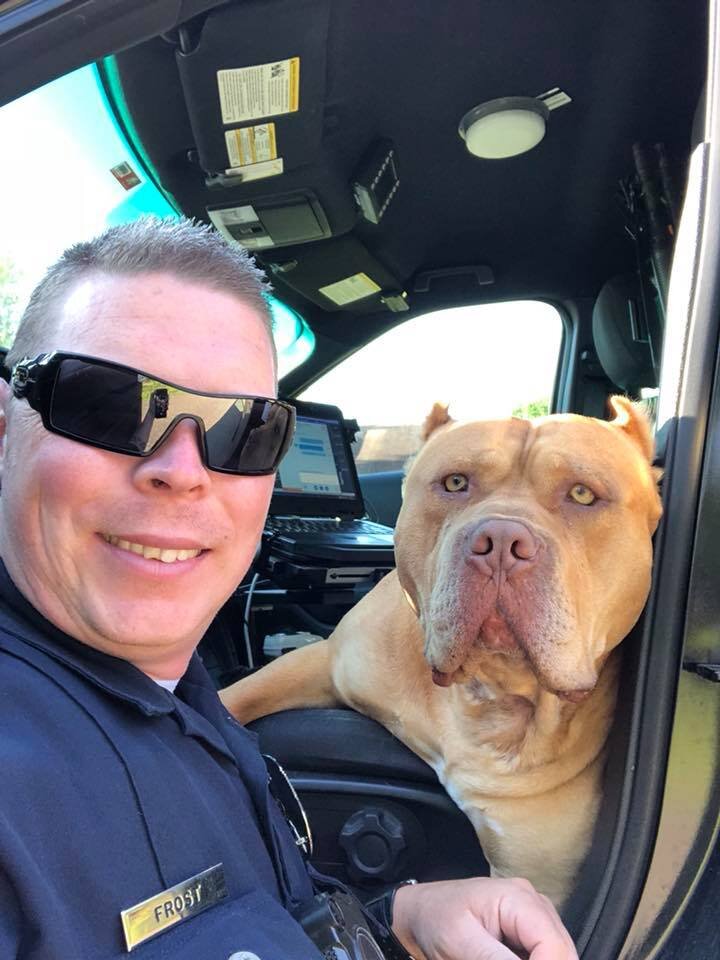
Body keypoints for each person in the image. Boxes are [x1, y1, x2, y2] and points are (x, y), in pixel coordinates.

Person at [0, 217, 578, 960]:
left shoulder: (176, 690)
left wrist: (393, 917)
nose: (184, 470)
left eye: (245, 431)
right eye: (111, 405)